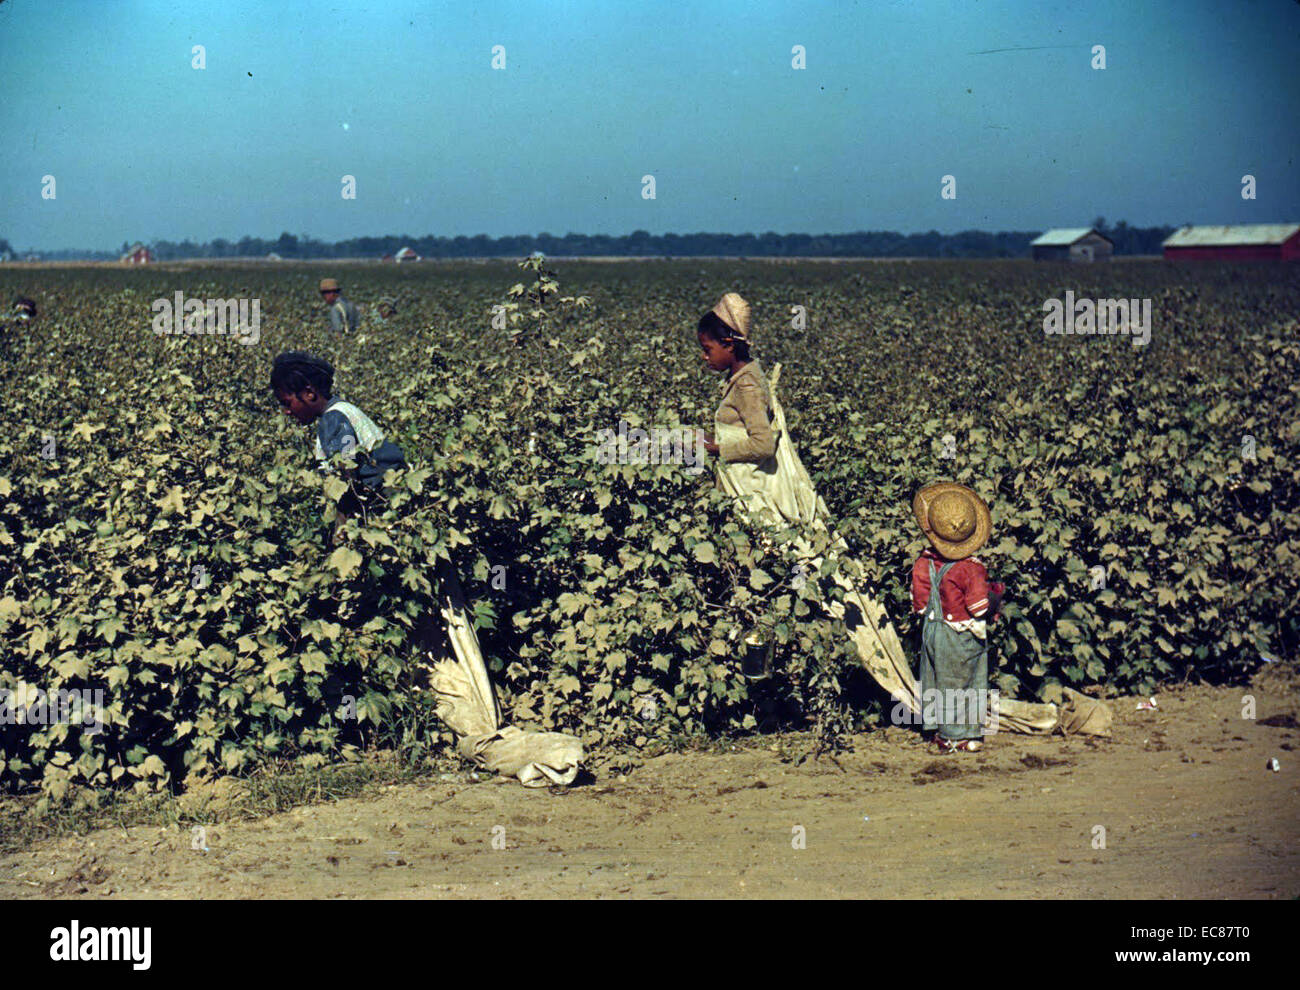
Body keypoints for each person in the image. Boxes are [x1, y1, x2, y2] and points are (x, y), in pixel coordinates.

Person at [698, 292, 779, 679]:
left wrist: (718, 449)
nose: (705, 356)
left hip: (751, 498)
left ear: (728, 344)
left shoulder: (747, 386)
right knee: (744, 576)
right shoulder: (740, 377)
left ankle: (756, 675)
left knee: (748, 578)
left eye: (707, 348)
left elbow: (763, 443)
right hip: (741, 492)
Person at [910, 482, 1005, 753]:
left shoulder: (923, 562)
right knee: (963, 681)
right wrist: (994, 599)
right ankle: (959, 737)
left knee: (936, 678)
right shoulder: (969, 569)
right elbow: (977, 607)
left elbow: (919, 604)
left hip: (931, 628)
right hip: (958, 633)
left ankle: (938, 730)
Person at [270, 350, 406, 535]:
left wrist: (340, 533)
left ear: (309, 393)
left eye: (287, 403)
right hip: (397, 499)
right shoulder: (343, 409)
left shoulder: (333, 419)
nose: (286, 411)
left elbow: (347, 481)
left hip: (384, 508)